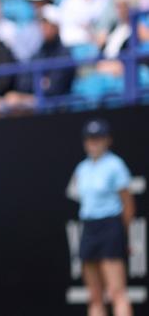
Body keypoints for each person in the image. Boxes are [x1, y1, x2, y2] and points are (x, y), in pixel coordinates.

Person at [67, 118, 134, 316]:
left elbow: (128, 204)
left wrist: (123, 233)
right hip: (89, 227)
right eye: (89, 139)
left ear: (108, 140)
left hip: (110, 226)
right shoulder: (82, 168)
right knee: (94, 296)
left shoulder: (115, 165)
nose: (93, 143)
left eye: (98, 138)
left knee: (116, 292)